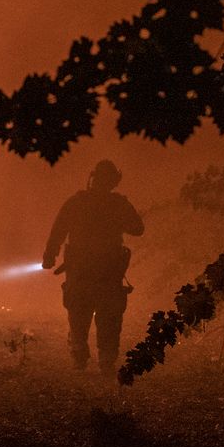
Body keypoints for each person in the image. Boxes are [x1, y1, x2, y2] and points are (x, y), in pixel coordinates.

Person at [42, 159, 144, 377]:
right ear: (113, 182)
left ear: (93, 178)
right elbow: (137, 228)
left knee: (79, 314)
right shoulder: (119, 204)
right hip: (108, 272)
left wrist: (50, 255)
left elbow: (57, 231)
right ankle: (106, 361)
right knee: (109, 317)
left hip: (81, 271)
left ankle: (80, 357)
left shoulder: (76, 202)